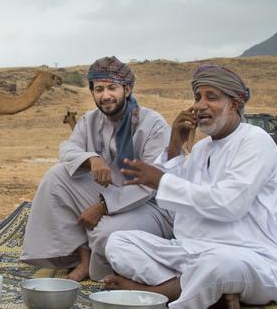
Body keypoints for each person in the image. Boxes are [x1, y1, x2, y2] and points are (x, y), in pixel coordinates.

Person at [104, 64, 277, 308]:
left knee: (217, 266)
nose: (199, 105)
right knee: (119, 242)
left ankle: (163, 292)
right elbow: (179, 208)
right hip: (191, 251)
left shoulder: (255, 141)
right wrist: (174, 146)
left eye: (211, 97)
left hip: (248, 255)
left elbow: (228, 205)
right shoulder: (202, 149)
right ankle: (197, 289)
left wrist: (161, 181)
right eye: (197, 97)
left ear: (234, 104)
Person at [20, 56, 174, 281]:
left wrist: (103, 207)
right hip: (110, 192)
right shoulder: (90, 120)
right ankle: (84, 258)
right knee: (56, 177)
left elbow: (150, 183)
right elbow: (67, 149)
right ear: (92, 92)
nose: (105, 95)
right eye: (99, 89)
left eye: (112, 88)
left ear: (127, 89)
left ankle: (102, 271)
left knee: (106, 234)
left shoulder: (152, 124)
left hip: (149, 205)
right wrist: (92, 159)